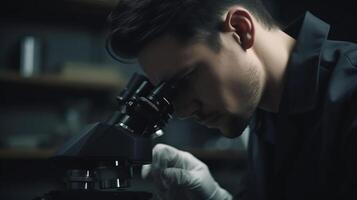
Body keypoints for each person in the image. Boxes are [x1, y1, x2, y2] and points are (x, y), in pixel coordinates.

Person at [106, 0, 357, 199]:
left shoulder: (350, 94)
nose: (182, 110)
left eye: (185, 80)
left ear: (241, 30)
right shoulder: (264, 111)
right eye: (169, 91)